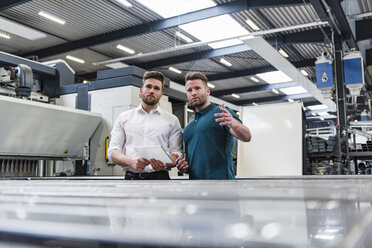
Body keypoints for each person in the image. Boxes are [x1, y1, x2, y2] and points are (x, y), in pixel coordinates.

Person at [108, 71, 183, 180]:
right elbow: (113, 151)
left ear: (161, 95)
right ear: (141, 90)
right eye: (148, 86)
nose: (152, 91)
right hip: (132, 178)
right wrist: (131, 161)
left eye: (156, 88)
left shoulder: (172, 120)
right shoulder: (124, 117)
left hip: (160, 178)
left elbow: (177, 153)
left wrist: (165, 163)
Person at [176, 72, 251, 179]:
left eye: (197, 88)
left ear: (207, 91)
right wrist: (183, 167)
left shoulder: (222, 113)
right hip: (196, 188)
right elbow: (190, 164)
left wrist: (233, 122)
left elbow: (247, 136)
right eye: (189, 90)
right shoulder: (188, 128)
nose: (193, 93)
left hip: (221, 186)